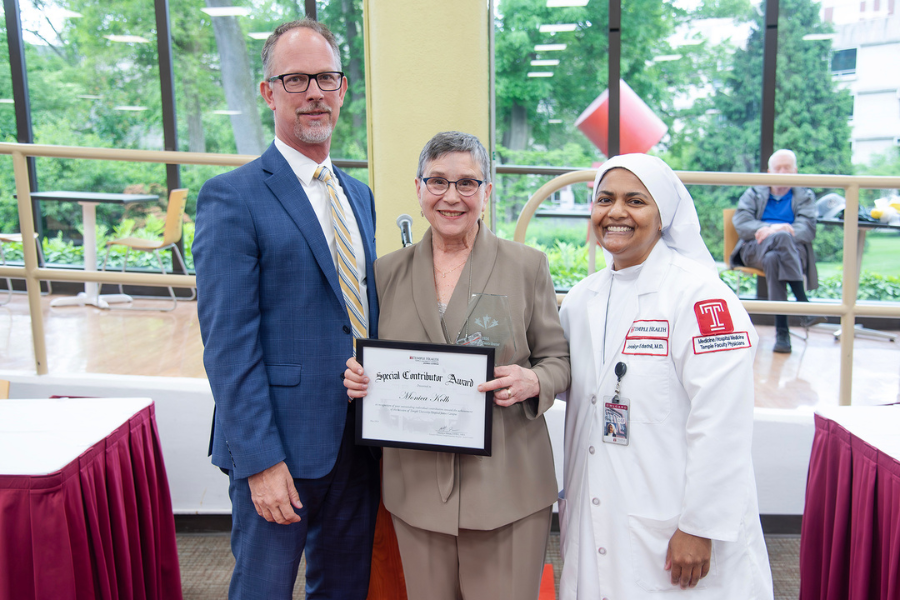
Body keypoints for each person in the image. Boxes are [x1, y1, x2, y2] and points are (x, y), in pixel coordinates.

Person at [193, 20, 379, 600]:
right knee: (263, 588)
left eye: (326, 77)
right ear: (269, 92)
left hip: (358, 439)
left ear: (342, 89)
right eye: (296, 79)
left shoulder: (359, 195)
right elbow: (227, 344)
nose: (315, 93)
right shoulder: (233, 196)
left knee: (345, 587)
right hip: (279, 447)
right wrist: (260, 460)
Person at [343, 131, 570, 600]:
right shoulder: (386, 272)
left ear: (487, 192)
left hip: (508, 485)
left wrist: (534, 379)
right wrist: (358, 378)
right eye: (438, 182)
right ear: (419, 188)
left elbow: (558, 360)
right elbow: (376, 357)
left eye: (467, 183)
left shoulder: (527, 266)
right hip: (417, 487)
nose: (452, 196)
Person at [558, 154, 773, 599]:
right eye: (604, 199)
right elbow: (564, 379)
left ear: (663, 217)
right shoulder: (582, 299)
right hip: (602, 507)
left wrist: (700, 525)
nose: (616, 212)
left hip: (676, 521)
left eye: (635, 200)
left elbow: (723, 421)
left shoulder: (700, 297)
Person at [729, 149, 821, 353]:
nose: (782, 172)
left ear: (795, 171)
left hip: (791, 252)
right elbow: (742, 224)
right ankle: (803, 303)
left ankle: (782, 334)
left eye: (786, 168)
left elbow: (808, 229)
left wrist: (777, 231)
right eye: (777, 168)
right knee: (780, 238)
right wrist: (772, 229)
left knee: (774, 259)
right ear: (768, 170)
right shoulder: (753, 193)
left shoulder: (804, 195)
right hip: (754, 250)